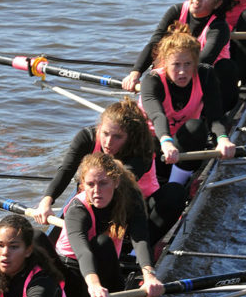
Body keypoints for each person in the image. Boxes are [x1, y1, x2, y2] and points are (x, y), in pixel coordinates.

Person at [33, 97, 185, 246]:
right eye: (105, 133)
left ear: (130, 137)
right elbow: (66, 170)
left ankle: (134, 250)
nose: (108, 142)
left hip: (136, 207)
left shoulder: (142, 149)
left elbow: (120, 183)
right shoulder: (87, 138)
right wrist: (46, 201)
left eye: (117, 137)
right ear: (100, 127)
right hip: (97, 200)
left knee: (175, 193)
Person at [55, 151, 164, 297]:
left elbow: (140, 239)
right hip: (71, 269)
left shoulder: (131, 199)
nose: (97, 191)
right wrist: (94, 285)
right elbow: (83, 252)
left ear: (116, 182)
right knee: (101, 243)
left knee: (102, 243)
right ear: (82, 185)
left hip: (105, 265)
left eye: (103, 183)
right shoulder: (77, 210)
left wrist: (149, 275)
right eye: (90, 184)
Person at [122, 0, 238, 110]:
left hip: (205, 83)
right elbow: (154, 43)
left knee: (225, 66)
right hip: (175, 78)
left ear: (217, 3)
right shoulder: (176, 11)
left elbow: (204, 60)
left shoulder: (219, 27)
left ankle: (209, 117)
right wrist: (136, 73)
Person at [139, 27, 235, 186]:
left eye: (188, 64)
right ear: (164, 62)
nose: (182, 72)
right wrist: (166, 141)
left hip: (184, 144)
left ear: (196, 62)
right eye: (176, 65)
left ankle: (177, 185)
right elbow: (158, 115)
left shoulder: (205, 75)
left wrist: (223, 139)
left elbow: (215, 115)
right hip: (155, 143)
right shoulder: (152, 81)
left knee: (197, 127)